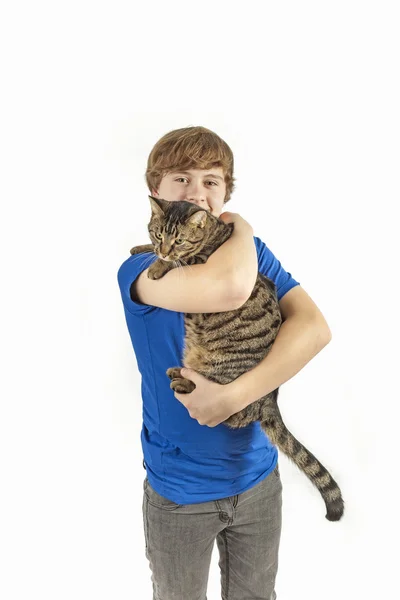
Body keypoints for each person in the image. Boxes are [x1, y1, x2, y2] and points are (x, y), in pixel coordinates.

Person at [117, 126, 332, 600]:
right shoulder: (139, 271)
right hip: (179, 490)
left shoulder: (247, 254)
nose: (197, 193)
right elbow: (231, 287)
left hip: (256, 475)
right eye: (181, 179)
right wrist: (244, 229)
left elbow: (315, 329)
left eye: (211, 181)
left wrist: (234, 397)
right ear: (155, 191)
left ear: (225, 193)